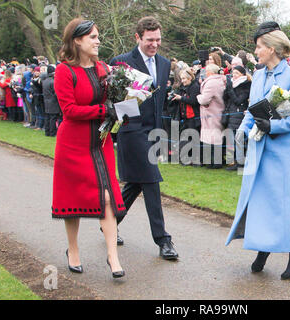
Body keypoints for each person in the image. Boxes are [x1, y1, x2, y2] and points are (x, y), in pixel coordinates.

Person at [225, 22, 290, 280]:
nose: (256, 51)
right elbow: (253, 108)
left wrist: (273, 125)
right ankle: (263, 246)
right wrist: (243, 128)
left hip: (282, 150)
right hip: (258, 147)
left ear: (272, 49)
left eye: (259, 47)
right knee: (259, 200)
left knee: (285, 202)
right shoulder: (259, 75)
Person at [53, 18, 126, 278]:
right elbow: (69, 111)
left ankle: (112, 257)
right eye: (93, 37)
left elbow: (115, 101)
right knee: (72, 199)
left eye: (98, 36)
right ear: (77, 40)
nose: (98, 41)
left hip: (101, 141)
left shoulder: (104, 68)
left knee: (107, 197)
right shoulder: (64, 71)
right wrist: (102, 110)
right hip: (73, 143)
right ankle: (73, 250)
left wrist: (123, 108)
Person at [110, 16, 178, 260]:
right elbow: (115, 99)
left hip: (154, 133)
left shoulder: (163, 63)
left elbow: (159, 102)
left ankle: (110, 221)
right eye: (150, 40)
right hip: (132, 130)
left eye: (158, 39)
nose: (155, 44)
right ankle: (163, 240)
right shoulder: (121, 62)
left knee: (137, 184)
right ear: (137, 38)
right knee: (151, 182)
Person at [196, 63, 226, 169]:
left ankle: (215, 162)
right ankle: (214, 161)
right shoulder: (220, 80)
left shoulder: (212, 82)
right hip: (216, 111)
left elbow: (204, 99)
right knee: (215, 136)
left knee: (213, 137)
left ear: (210, 72)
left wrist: (198, 96)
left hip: (211, 113)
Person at [222, 65, 251, 171]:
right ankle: (234, 161)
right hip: (231, 114)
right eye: (233, 73)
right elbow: (225, 98)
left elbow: (238, 100)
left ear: (243, 74)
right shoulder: (232, 85)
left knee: (239, 139)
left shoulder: (246, 85)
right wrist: (228, 88)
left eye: (237, 73)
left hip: (239, 115)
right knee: (231, 139)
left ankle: (240, 162)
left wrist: (230, 89)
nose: (234, 76)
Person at [171, 68, 201, 165]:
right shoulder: (182, 87)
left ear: (190, 78)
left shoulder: (195, 87)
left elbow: (193, 101)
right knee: (184, 138)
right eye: (182, 79)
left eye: (184, 78)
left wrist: (181, 98)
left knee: (194, 138)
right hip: (185, 116)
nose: (183, 81)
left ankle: (195, 159)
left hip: (193, 116)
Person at [42, 65, 61, 137]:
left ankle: (47, 132)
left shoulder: (45, 81)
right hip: (53, 102)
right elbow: (56, 93)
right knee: (53, 118)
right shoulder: (53, 82)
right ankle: (52, 133)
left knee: (48, 117)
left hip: (47, 101)